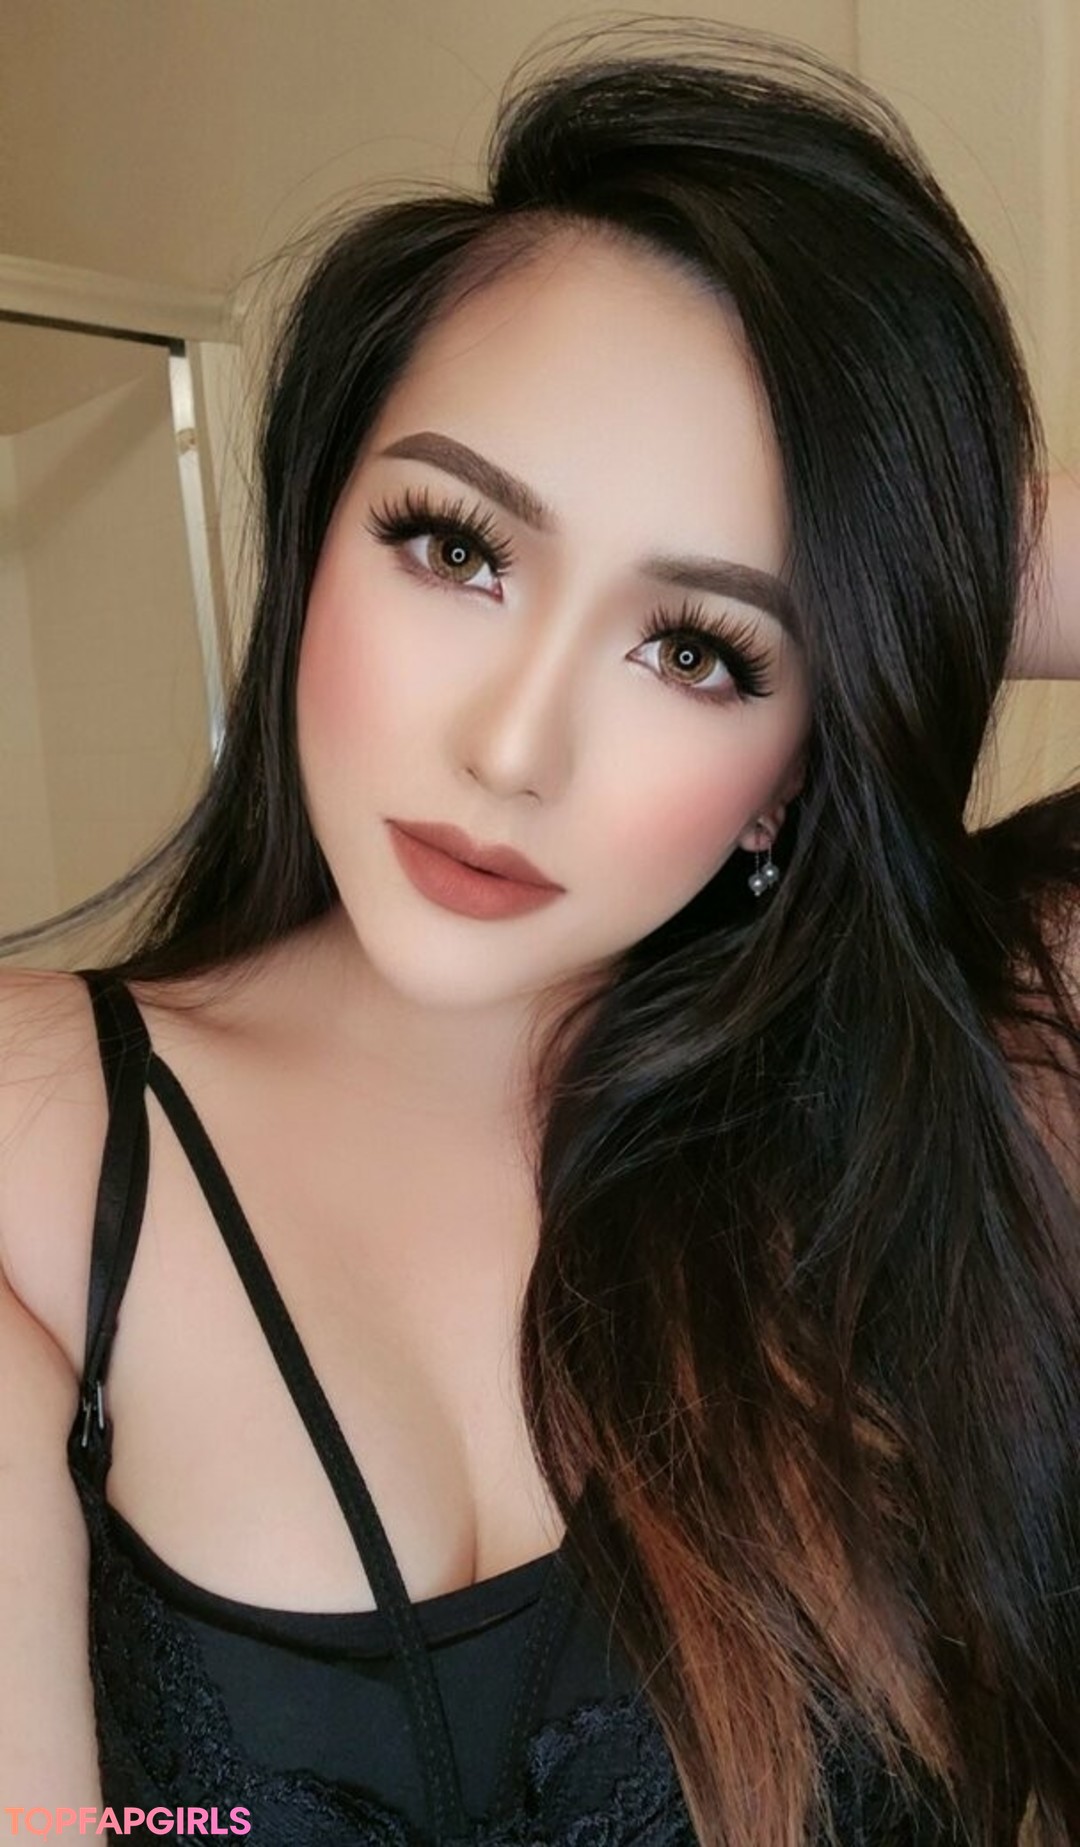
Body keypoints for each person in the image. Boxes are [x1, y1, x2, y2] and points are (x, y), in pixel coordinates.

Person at [1, 20, 1078, 1847]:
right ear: (312, 535)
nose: (514, 749)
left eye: (698, 648)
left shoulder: (948, 1096)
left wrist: (914, 549)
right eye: (456, 547)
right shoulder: (37, 1148)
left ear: (795, 767)